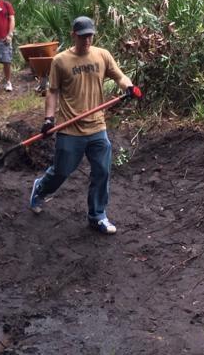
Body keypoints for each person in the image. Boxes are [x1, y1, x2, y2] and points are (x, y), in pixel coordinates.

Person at [29, 16, 139, 234]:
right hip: (70, 128)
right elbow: (52, 92)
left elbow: (119, 76)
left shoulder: (102, 55)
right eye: (83, 36)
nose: (87, 40)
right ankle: (40, 188)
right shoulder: (60, 60)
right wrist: (49, 119)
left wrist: (129, 86)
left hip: (97, 126)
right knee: (61, 171)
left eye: (90, 35)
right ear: (73, 35)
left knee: (102, 171)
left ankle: (97, 215)